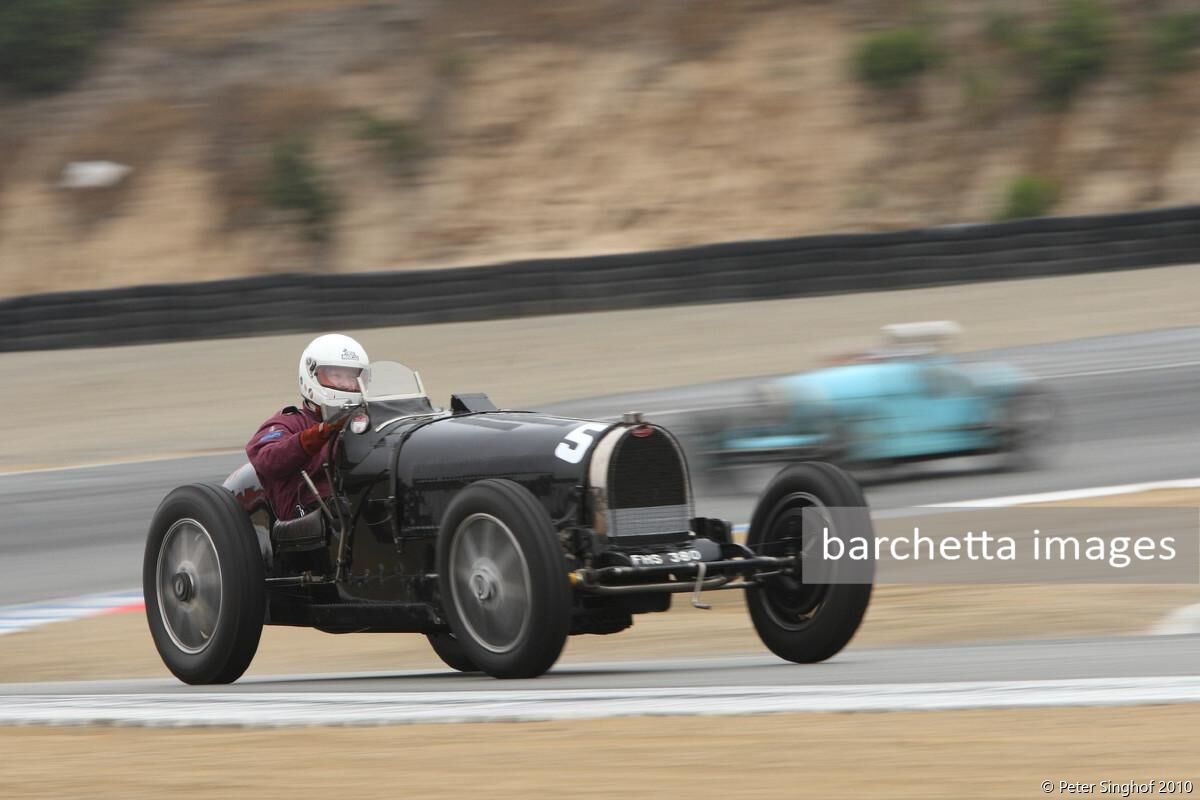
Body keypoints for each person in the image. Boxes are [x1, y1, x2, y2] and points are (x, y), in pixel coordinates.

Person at [246, 333, 369, 520]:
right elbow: (268, 460)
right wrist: (319, 434)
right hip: (308, 515)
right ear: (311, 374)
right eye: (337, 375)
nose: (346, 383)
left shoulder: (366, 419)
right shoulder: (290, 422)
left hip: (362, 499)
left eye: (352, 377)